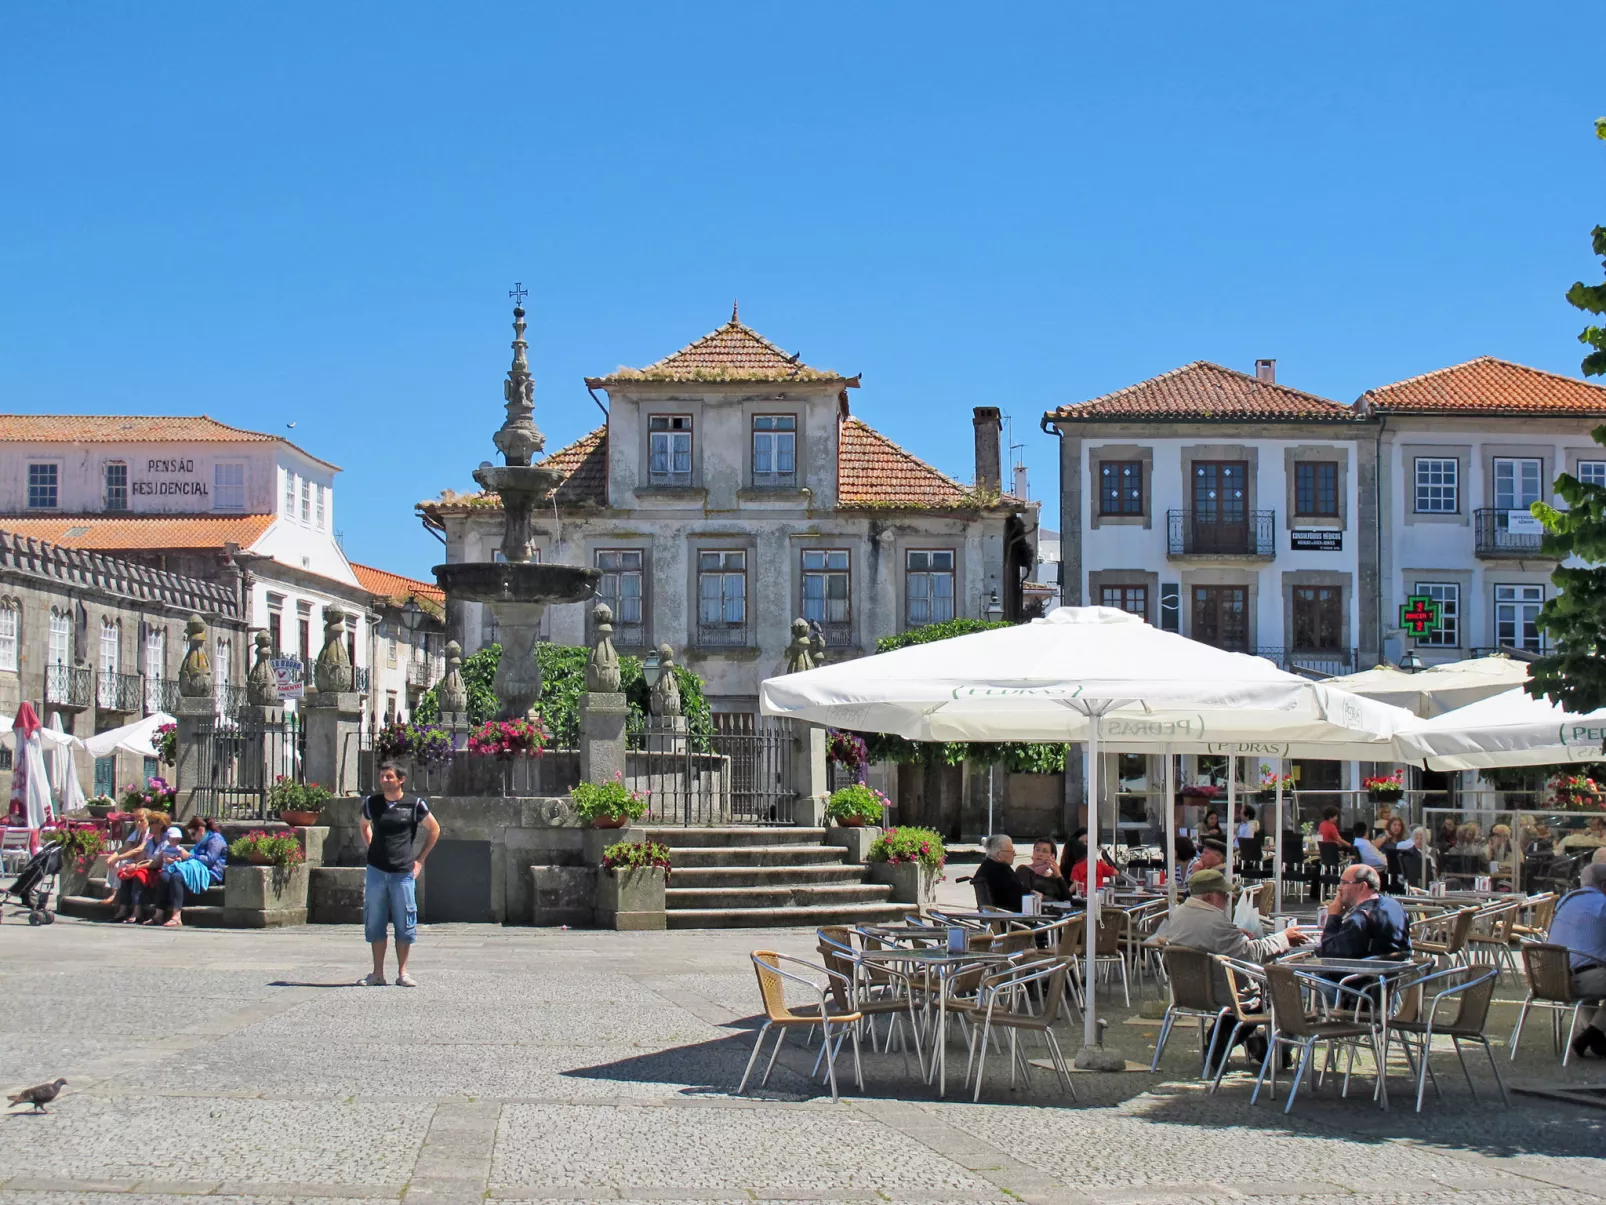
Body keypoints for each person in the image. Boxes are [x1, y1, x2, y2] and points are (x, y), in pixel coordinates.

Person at [1152, 868, 1309, 1070]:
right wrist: (1283, 938)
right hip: (1222, 991)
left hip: (1189, 990)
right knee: (1273, 992)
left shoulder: (1180, 913)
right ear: (1208, 896)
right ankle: (1250, 1046)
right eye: (1224, 894)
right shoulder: (1215, 922)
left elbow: (1214, 939)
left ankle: (1249, 1043)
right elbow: (1252, 954)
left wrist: (1234, 934)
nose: (1228, 899)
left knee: (1257, 989)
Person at [359, 760, 440, 986]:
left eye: (389, 777)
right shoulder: (372, 804)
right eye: (382, 776)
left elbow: (434, 829)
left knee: (404, 921)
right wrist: (372, 846)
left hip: (403, 871)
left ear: (401, 780)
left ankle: (403, 972)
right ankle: (377, 973)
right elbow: (363, 825)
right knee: (375, 920)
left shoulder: (414, 805)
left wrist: (420, 860)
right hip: (376, 870)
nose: (384, 780)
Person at [1549, 863, 1606, 1059]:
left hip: (1552, 979)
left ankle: (1595, 1039)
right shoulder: (1602, 905)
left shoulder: (1565, 901)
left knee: (1591, 970)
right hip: (1583, 981)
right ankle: (1593, 1034)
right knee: (1594, 973)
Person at [1317, 864, 1411, 959]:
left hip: (1361, 972)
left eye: (1344, 883)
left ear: (1362, 886)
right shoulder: (1394, 905)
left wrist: (1334, 917)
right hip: (1396, 970)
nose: (1339, 888)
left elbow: (1328, 954)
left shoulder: (1360, 918)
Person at [156, 817, 229, 928]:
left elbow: (210, 860)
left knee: (177, 876)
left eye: (193, 834)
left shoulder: (216, 839)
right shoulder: (201, 840)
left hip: (210, 874)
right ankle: (158, 914)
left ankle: (176, 916)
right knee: (164, 876)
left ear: (201, 830)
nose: (192, 838)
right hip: (195, 869)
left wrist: (190, 856)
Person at [973, 834, 1026, 910]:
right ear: (999, 854)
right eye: (1011, 851)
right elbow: (1020, 896)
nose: (1014, 854)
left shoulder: (984, 868)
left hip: (998, 916)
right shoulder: (1002, 871)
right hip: (1012, 917)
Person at [1015, 838, 1070, 902]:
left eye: (1045, 851)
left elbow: (1068, 900)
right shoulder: (1023, 869)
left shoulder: (1054, 877)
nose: (1040, 854)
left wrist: (1058, 874)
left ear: (1052, 856)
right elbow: (1027, 895)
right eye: (1037, 850)